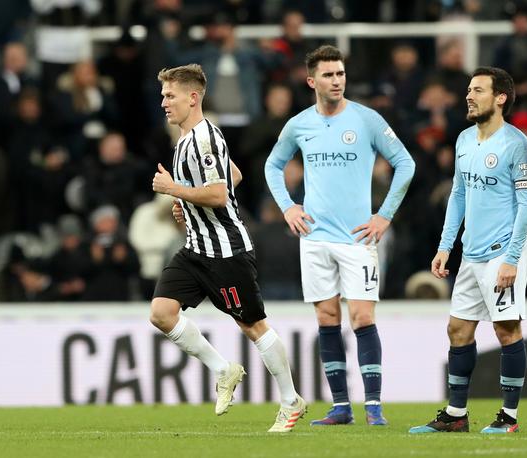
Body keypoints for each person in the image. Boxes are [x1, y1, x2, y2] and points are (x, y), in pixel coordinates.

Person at [149, 64, 306, 433]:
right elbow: (232, 176)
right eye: (162, 96)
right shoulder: (187, 141)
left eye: (170, 96)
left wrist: (176, 190)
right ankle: (223, 369)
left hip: (226, 252)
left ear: (193, 97)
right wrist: (187, 203)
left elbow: (220, 194)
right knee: (161, 312)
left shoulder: (204, 138)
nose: (164, 103)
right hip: (195, 249)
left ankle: (290, 400)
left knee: (252, 325)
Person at [264, 45, 416, 426]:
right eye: (329, 75)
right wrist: (288, 206)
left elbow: (405, 163)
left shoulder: (366, 120)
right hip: (314, 237)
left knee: (362, 318)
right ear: (311, 81)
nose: (337, 80)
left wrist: (384, 215)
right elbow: (273, 165)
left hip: (357, 238)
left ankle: (375, 407)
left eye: (341, 74)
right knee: (327, 317)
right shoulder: (299, 124)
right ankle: (341, 407)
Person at [409, 67, 527, 435]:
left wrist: (512, 259)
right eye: (468, 89)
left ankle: (509, 418)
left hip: (502, 252)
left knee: (506, 330)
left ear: (500, 98)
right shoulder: (464, 139)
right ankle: (455, 415)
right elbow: (459, 195)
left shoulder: (518, 145)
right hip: (472, 254)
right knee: (458, 330)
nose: (469, 95)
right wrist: (445, 246)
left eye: (478, 90)